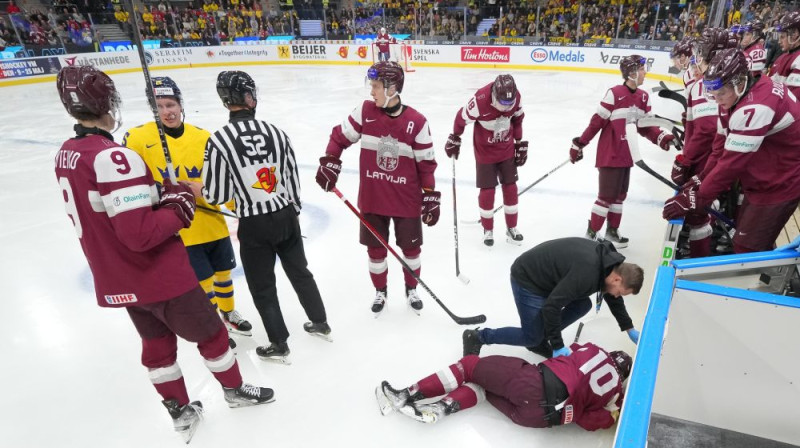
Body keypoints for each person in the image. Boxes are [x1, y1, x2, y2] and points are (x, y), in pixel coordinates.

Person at [53, 66, 273, 444]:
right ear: (106, 102)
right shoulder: (114, 157)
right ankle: (235, 391)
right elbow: (139, 235)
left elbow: (109, 207)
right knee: (213, 334)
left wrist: (158, 191)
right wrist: (179, 207)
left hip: (118, 277)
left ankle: (180, 410)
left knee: (156, 346)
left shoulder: (68, 154)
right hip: (156, 274)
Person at [197, 70, 331, 364]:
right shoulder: (277, 132)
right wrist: (290, 215)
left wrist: (200, 189)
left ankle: (279, 343)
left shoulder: (219, 140)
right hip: (286, 216)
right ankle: (320, 322)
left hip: (254, 225)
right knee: (300, 272)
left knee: (263, 286)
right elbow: (293, 183)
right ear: (247, 97)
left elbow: (217, 195)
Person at [122, 77, 253, 349]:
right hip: (183, 227)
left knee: (223, 273)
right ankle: (216, 323)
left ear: (181, 105)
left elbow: (221, 179)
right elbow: (133, 181)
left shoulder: (203, 137)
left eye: (171, 104)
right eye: (159, 106)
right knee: (203, 281)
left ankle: (229, 313)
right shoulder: (137, 138)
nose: (167, 111)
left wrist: (234, 206)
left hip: (212, 221)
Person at [315, 61, 438, 317]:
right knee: (376, 251)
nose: (372, 92)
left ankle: (411, 288)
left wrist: (430, 196)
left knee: (411, 250)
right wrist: (330, 161)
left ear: (392, 88)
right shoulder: (365, 111)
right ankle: (380, 291)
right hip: (373, 199)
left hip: (406, 201)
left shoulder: (417, 121)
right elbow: (340, 137)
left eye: (376, 86)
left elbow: (426, 165)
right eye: (372, 86)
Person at [664, 48, 800, 253]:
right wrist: (701, 177)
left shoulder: (757, 107)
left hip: (781, 183)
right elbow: (720, 148)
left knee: (746, 248)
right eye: (712, 93)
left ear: (739, 83)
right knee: (751, 241)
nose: (716, 99)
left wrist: (698, 198)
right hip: (768, 176)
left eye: (720, 93)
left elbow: (730, 165)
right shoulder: (735, 97)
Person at [375, 342, 631, 430]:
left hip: (533, 384)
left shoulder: (595, 350)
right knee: (485, 389)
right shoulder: (615, 397)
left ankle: (405, 395)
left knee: (470, 367)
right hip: (539, 419)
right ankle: (438, 410)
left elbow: (568, 352)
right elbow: (589, 422)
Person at [462, 237, 643, 359]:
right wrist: (557, 345)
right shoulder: (587, 274)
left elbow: (613, 297)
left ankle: (541, 338)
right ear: (617, 278)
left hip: (553, 278)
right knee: (531, 336)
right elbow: (552, 306)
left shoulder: (611, 264)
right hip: (529, 279)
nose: (617, 296)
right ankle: (478, 337)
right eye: (620, 291)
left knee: (583, 304)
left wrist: (628, 328)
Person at [569, 55, 676, 249]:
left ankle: (612, 231)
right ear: (632, 72)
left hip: (628, 154)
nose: (645, 73)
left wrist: (662, 138)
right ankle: (592, 233)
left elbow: (646, 126)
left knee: (620, 195)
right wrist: (580, 143)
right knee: (606, 196)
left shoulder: (644, 96)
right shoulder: (614, 93)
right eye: (642, 69)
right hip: (610, 154)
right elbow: (596, 122)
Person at [670, 28, 737, 258]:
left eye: (702, 51)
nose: (697, 57)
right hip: (721, 158)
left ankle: (698, 260)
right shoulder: (726, 77)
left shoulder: (704, 84)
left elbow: (706, 129)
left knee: (697, 211)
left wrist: (684, 160)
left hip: (707, 160)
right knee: (706, 204)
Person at [445, 74, 527, 247]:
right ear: (494, 95)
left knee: (511, 188)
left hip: (506, 148)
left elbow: (518, 120)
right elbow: (460, 119)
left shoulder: (516, 96)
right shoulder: (479, 101)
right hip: (485, 151)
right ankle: (487, 229)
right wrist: (455, 137)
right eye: (503, 103)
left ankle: (511, 228)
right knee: (487, 191)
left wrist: (519, 144)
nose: (506, 108)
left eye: (509, 104)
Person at [769, 11, 800, 98]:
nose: (779, 41)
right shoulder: (783, 56)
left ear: (794, 34)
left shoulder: (798, 60)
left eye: (782, 37)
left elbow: (792, 99)